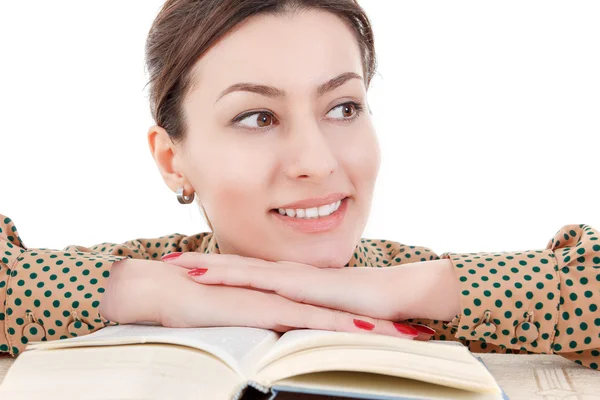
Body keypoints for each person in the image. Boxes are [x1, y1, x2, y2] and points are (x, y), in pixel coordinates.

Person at [1, 0, 598, 373]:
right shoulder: (133, 278)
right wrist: (137, 295)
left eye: (343, 108)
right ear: (171, 158)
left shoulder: (440, 297)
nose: (316, 162)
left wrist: (425, 289)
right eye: (257, 117)